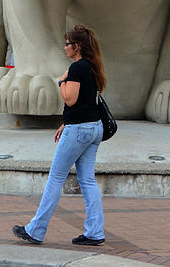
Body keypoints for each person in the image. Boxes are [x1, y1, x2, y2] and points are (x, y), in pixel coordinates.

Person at [13, 24, 107, 246]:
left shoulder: (77, 68)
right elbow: (85, 102)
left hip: (80, 130)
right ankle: (95, 232)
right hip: (93, 127)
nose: (64, 47)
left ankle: (36, 230)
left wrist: (62, 81)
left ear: (77, 46)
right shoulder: (92, 67)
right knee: (87, 180)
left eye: (67, 44)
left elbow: (71, 99)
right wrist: (66, 123)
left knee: (56, 178)